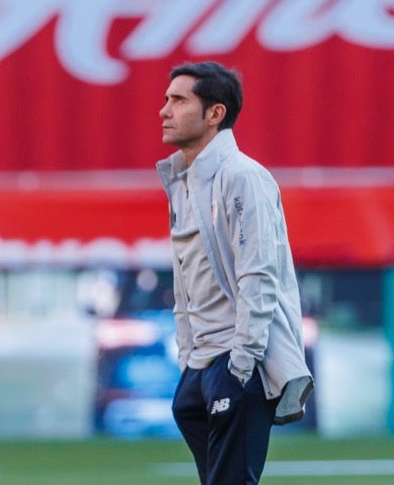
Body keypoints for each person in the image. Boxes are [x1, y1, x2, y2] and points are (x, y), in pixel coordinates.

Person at [157, 62, 314, 485]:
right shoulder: (182, 180)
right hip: (200, 365)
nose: (164, 111)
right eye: (166, 99)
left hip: (236, 361)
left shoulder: (242, 176)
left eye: (178, 100)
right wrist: (189, 360)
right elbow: (186, 281)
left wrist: (240, 364)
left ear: (215, 113)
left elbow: (258, 275)